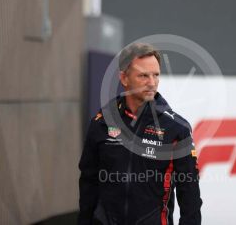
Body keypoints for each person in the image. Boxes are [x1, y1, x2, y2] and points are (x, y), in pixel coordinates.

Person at [78, 43, 202, 225]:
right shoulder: (102, 122)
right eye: (143, 75)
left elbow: (189, 193)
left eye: (156, 75)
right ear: (124, 78)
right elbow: (88, 181)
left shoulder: (176, 128)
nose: (152, 83)